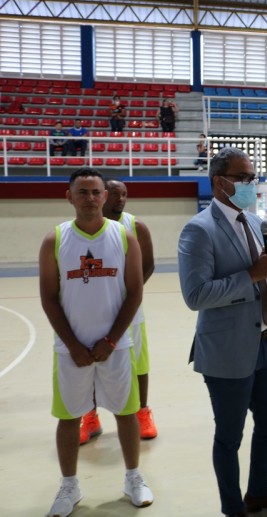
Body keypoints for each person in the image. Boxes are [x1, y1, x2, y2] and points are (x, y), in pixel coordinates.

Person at [177, 147, 267, 516]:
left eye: (253, 177)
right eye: (243, 178)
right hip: (227, 349)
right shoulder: (199, 230)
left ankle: (259, 492)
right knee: (230, 436)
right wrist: (251, 276)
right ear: (219, 182)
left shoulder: (254, 222)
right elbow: (196, 295)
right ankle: (233, 508)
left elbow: (266, 273)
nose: (251, 184)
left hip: (264, 343)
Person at [39, 168, 152, 516]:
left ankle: (133, 477)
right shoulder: (55, 239)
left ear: (105, 196)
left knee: (127, 413)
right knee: (69, 417)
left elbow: (135, 292)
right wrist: (73, 344)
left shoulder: (124, 236)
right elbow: (49, 298)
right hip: (70, 349)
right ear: (69, 196)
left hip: (115, 346)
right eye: (82, 192)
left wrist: (111, 340)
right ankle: (69, 485)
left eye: (95, 192)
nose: (90, 198)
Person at [90, 179, 157, 440]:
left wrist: (129, 295)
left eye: (125, 194)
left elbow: (149, 265)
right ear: (105, 196)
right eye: (116, 194)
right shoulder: (87, 228)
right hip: (95, 310)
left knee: (138, 363)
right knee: (92, 364)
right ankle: (90, 416)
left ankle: (142, 412)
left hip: (130, 310)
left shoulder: (135, 226)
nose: (121, 199)